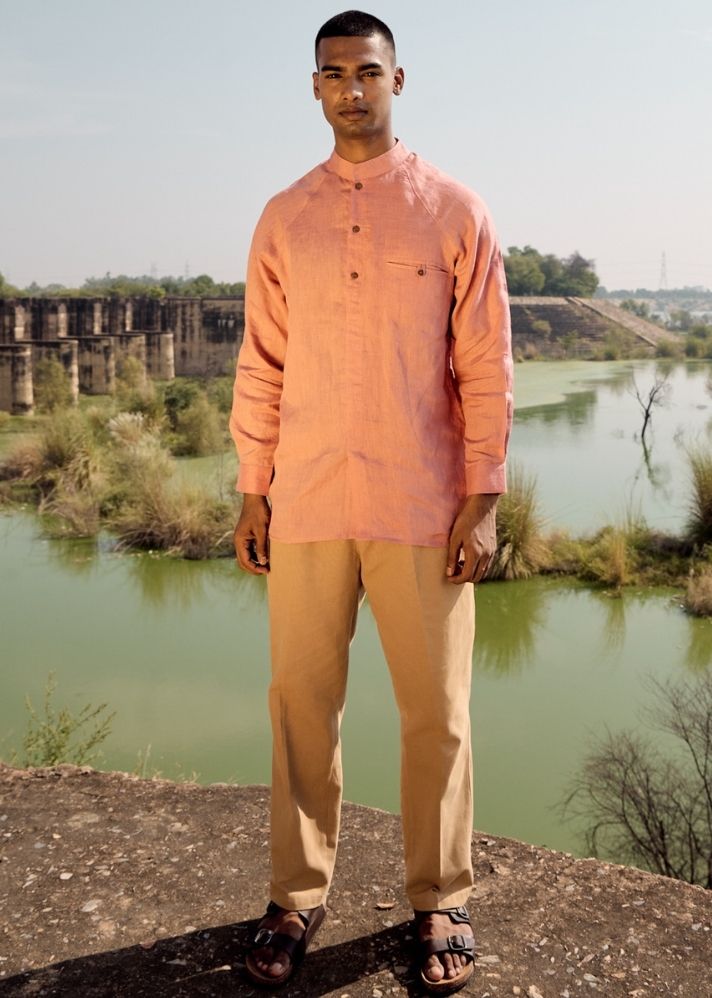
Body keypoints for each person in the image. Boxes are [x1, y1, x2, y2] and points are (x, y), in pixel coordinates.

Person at [230, 9, 513, 994]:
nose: (352, 88)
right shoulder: (284, 216)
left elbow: (485, 366)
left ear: (401, 81)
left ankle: (440, 895)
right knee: (301, 706)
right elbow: (261, 365)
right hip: (306, 496)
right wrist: (252, 488)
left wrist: (482, 498)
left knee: (435, 710)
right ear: (313, 87)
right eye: (334, 73)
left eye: (369, 72)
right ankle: (296, 896)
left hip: (423, 504)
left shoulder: (453, 211)